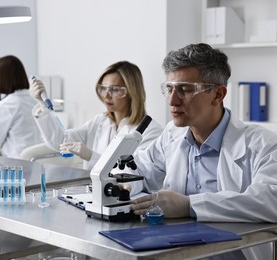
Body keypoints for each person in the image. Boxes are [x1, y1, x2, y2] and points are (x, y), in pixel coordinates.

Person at [130, 43, 277, 259]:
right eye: (169, 88)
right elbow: (140, 168)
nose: (172, 100)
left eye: (185, 89)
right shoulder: (172, 135)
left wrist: (190, 206)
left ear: (218, 94)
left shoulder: (262, 144)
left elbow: (270, 201)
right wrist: (125, 182)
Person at [30, 61, 163, 170]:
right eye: (103, 88)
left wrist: (91, 156)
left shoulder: (150, 132)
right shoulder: (100, 121)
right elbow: (61, 142)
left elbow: (133, 175)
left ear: (132, 92)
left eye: (115, 89)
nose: (106, 95)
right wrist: (42, 103)